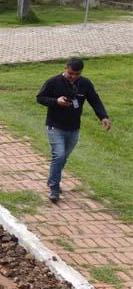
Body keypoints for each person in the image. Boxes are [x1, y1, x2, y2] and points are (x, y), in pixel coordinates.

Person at [36, 57, 111, 203]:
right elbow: (40, 98)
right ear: (65, 68)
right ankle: (54, 188)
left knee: (63, 157)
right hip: (55, 126)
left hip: (73, 128)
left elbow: (94, 100)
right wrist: (56, 101)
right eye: (71, 74)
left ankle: (53, 179)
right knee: (59, 155)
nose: (74, 77)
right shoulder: (53, 82)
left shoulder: (85, 84)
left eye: (77, 74)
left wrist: (103, 117)